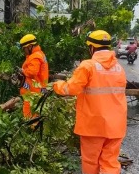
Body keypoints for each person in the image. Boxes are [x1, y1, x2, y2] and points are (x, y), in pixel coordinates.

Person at [53, 30, 127, 174]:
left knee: (90, 162)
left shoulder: (88, 66)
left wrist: (57, 85)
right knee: (110, 163)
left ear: (92, 47)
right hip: (116, 125)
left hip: (93, 125)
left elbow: (71, 89)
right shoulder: (119, 68)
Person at [18, 34, 49, 118]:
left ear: (30, 46)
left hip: (34, 92)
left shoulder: (35, 57)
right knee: (35, 113)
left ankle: (31, 129)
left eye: (24, 48)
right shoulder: (39, 54)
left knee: (31, 115)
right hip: (37, 90)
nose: (24, 51)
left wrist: (22, 71)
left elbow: (32, 72)